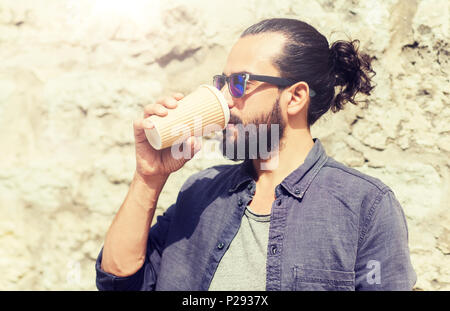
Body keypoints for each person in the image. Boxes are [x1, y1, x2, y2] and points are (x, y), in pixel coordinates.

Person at [96, 18, 416, 291]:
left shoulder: (366, 207)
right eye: (222, 82)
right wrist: (148, 176)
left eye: (239, 83)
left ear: (295, 98)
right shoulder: (200, 192)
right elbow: (117, 280)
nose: (224, 99)